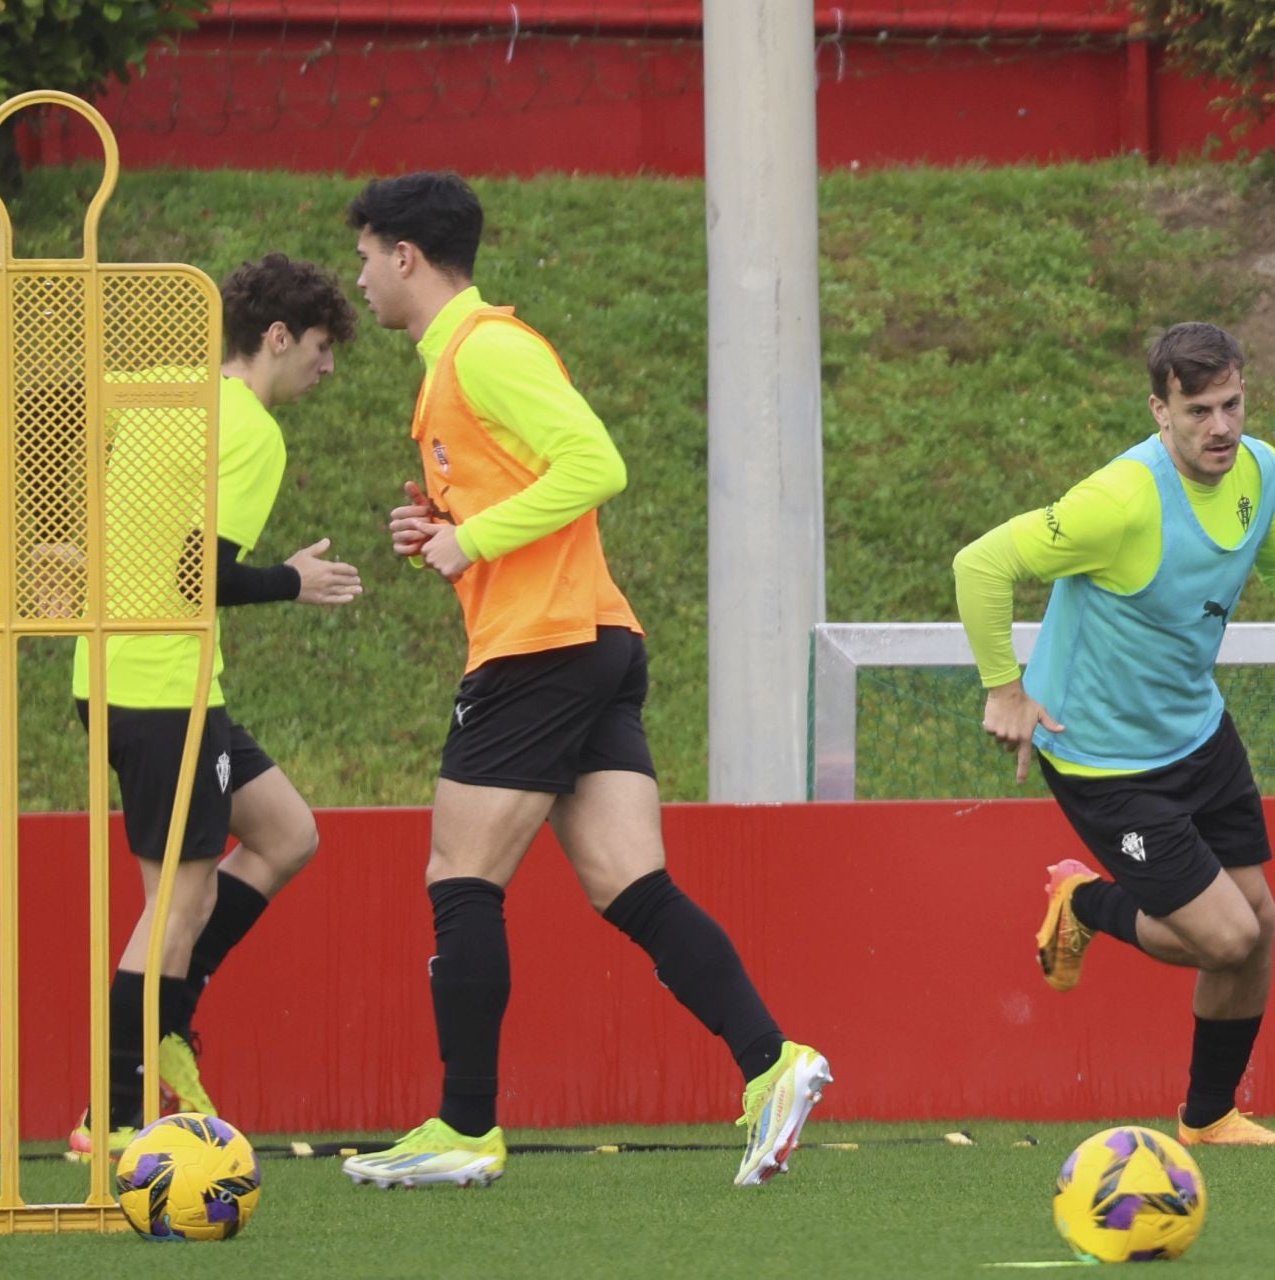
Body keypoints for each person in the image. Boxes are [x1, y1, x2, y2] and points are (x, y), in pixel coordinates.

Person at [337, 172, 829, 1189]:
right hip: (585, 638)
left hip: (541, 650)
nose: (358, 279)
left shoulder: (487, 350)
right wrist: (444, 529)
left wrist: (469, 535)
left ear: (404, 256)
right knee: (631, 886)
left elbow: (594, 464)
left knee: (460, 879)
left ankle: (465, 1126)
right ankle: (773, 1062)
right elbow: (531, 494)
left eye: (363, 256)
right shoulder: (454, 366)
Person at [954, 321, 1275, 1146]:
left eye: (1233, 404)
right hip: (1105, 758)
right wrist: (1005, 687)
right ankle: (1084, 902)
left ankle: (1209, 1119)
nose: (1221, 427)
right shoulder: (1119, 501)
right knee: (1227, 937)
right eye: (1199, 410)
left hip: (1198, 734)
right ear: (1160, 410)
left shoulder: (1261, 470)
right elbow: (980, 563)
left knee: (1261, 925)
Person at [69, 253, 363, 1155]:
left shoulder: (162, 386)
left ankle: (167, 1023)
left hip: (124, 678)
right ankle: (111, 1112)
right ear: (277, 337)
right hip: (162, 690)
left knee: (286, 832)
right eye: (318, 347)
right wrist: (296, 580)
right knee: (176, 910)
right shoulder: (250, 429)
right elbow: (204, 577)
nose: (327, 367)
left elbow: (61, 413)